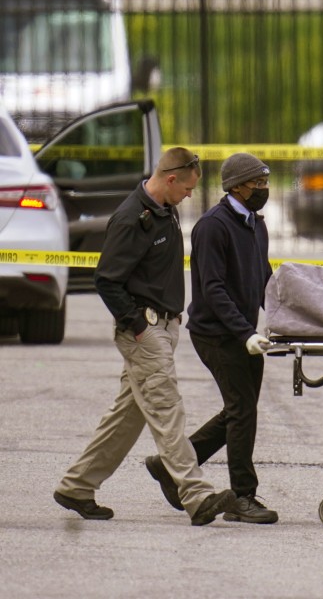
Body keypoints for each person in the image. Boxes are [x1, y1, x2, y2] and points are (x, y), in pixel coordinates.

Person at [54, 148, 237, 526]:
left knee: (127, 417)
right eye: (186, 188)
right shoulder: (130, 219)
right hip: (145, 332)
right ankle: (196, 495)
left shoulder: (165, 209)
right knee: (168, 410)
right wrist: (136, 325)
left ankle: (76, 486)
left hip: (162, 328)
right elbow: (106, 280)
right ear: (170, 179)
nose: (189, 195)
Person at [144, 153, 277, 524]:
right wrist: (245, 332)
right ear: (236, 186)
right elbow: (213, 290)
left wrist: (287, 318)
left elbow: (264, 279)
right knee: (242, 411)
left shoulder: (256, 225)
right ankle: (243, 496)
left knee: (240, 409)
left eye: (265, 182)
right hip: (216, 334)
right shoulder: (212, 227)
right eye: (257, 183)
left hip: (242, 332)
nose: (263, 189)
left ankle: (171, 466)